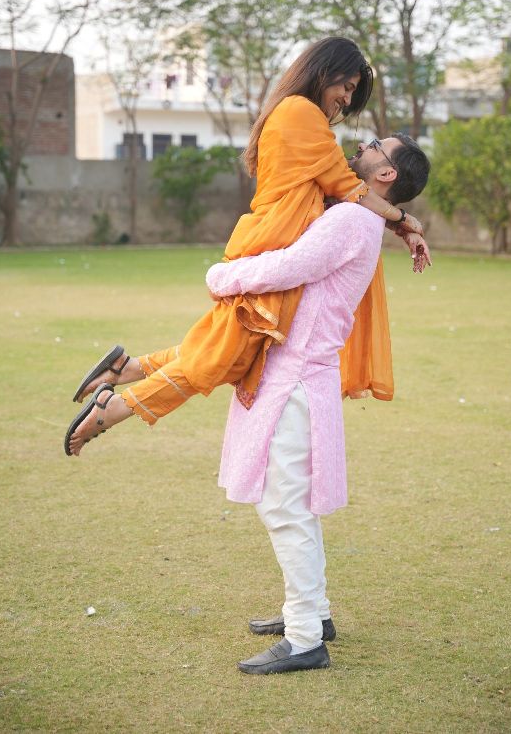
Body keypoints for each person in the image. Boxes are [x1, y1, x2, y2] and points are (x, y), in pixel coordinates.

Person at [64, 37, 426, 455]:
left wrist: (398, 225)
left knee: (225, 348)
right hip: (271, 244)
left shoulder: (298, 114)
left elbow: (344, 189)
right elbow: (350, 188)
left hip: (270, 239)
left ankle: (125, 369)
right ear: (325, 72)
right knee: (222, 356)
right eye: (346, 87)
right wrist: (406, 221)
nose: (346, 99)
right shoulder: (301, 113)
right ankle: (116, 406)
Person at [206, 133, 431, 674]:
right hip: (297, 375)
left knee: (285, 507)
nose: (361, 145)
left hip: (297, 379)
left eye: (375, 145)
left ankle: (306, 637)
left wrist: (222, 277)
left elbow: (290, 265)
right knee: (292, 504)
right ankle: (314, 614)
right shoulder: (359, 215)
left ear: (386, 174)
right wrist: (404, 223)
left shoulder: (351, 220)